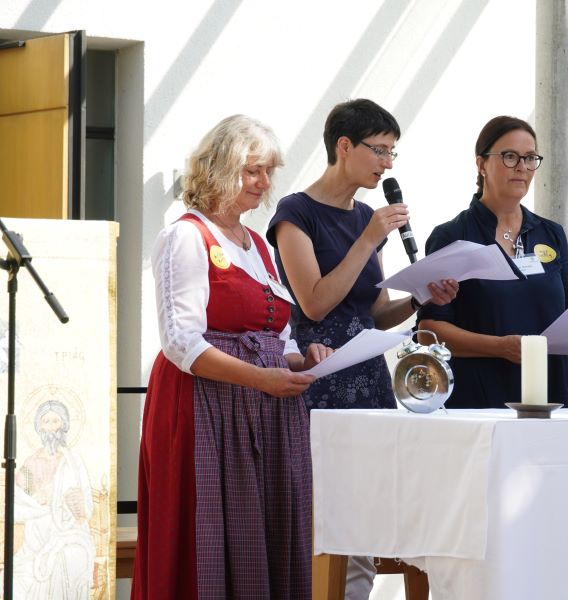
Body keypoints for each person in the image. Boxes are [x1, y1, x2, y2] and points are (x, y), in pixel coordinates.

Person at [266, 98, 457, 599]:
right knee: (322, 516)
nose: (388, 163)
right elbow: (314, 302)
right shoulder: (295, 213)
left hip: (368, 377)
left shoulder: (365, 220)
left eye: (393, 152)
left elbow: (371, 312)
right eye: (379, 150)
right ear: (343, 146)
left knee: (365, 518)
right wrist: (369, 240)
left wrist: (419, 295)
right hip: (318, 375)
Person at [133, 115, 330, 600]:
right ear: (219, 169)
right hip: (204, 407)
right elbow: (181, 342)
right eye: (253, 172)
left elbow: (275, 333)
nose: (264, 184)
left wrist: (302, 359)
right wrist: (259, 379)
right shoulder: (185, 237)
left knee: (265, 533)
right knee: (205, 533)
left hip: (263, 411)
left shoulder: (257, 244)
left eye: (268, 172)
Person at [417, 115, 568, 409]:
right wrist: (500, 348)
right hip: (482, 399)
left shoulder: (551, 233)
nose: (522, 167)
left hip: (551, 395)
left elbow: (567, 310)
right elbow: (429, 332)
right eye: (510, 157)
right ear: (481, 164)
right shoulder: (453, 236)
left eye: (530, 157)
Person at [12, 400, 94, 599]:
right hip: (38, 533)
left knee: (69, 556)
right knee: (16, 578)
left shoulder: (73, 462)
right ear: (39, 427)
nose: (50, 426)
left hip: (70, 530)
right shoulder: (30, 463)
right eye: (46, 421)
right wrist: (39, 500)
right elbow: (21, 500)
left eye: (55, 421)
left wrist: (76, 506)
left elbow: (85, 503)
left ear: (63, 425)